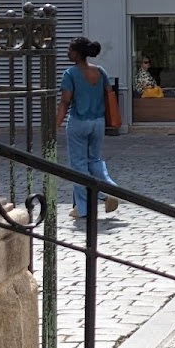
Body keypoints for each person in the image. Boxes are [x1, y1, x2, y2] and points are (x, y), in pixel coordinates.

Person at [55, 37, 119, 219]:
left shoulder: (70, 73)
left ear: (76, 53)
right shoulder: (100, 72)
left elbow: (65, 101)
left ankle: (82, 208)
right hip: (98, 122)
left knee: (78, 165)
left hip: (78, 121)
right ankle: (110, 189)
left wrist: (56, 124)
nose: (67, 53)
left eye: (69, 50)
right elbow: (108, 94)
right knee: (95, 160)